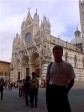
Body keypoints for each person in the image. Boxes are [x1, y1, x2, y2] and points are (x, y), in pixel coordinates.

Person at [46, 45, 76, 112]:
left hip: (62, 90)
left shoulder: (68, 65)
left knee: (64, 109)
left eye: (59, 53)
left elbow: (72, 80)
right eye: (55, 53)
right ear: (53, 53)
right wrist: (47, 90)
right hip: (51, 90)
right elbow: (47, 79)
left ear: (62, 53)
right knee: (51, 109)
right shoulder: (50, 65)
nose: (57, 55)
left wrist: (66, 91)